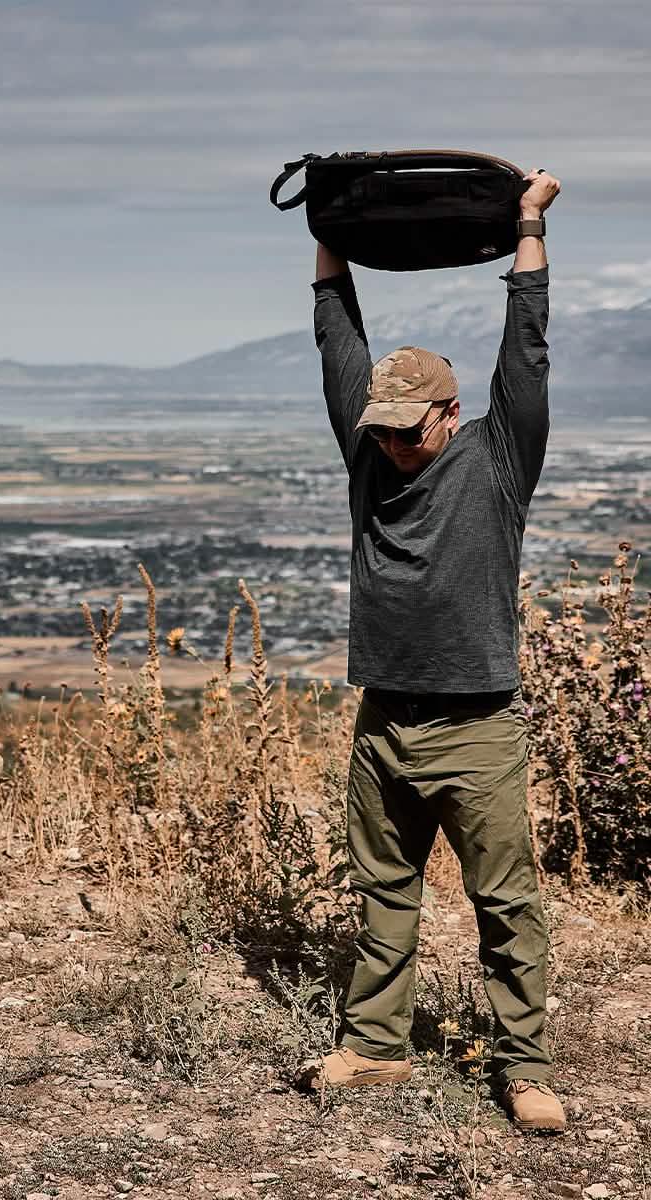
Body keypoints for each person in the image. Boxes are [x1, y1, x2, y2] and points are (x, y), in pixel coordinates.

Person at [305, 169, 565, 1132]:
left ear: (449, 414)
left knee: (507, 905)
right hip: (383, 718)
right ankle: (376, 1048)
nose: (395, 446)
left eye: (411, 431)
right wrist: (328, 224)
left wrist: (528, 228)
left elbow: (526, 351)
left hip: (476, 723)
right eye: (384, 431)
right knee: (381, 892)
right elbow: (337, 333)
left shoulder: (500, 457)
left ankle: (525, 1067)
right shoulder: (371, 443)